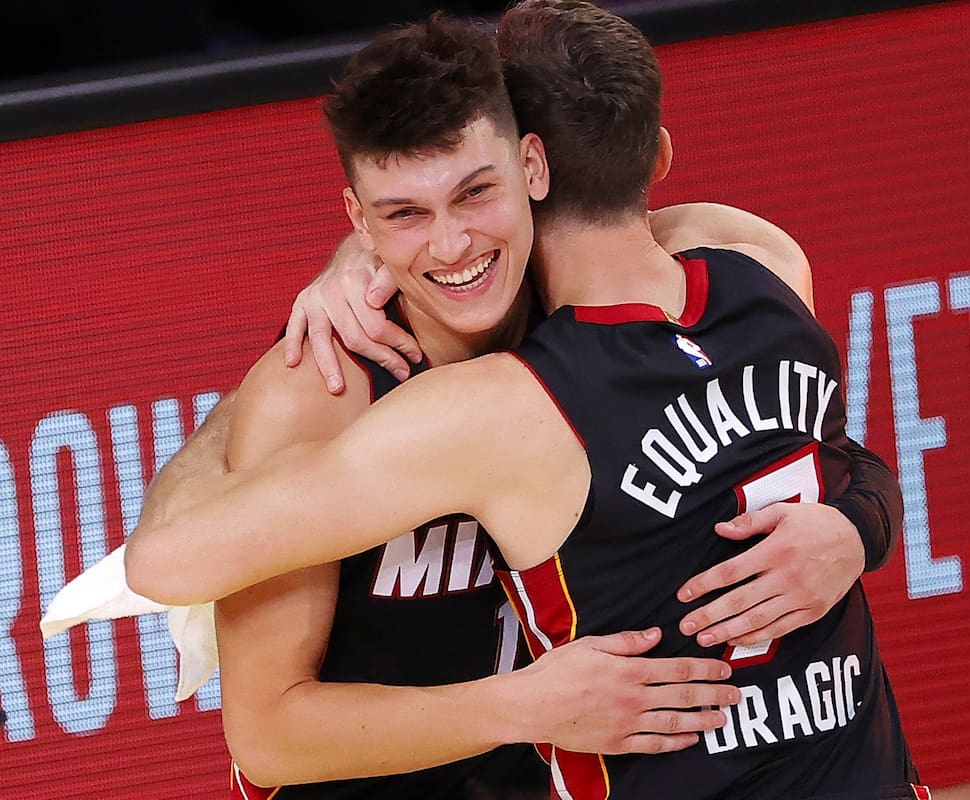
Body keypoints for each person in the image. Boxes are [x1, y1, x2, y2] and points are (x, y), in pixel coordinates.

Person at [126, 2, 920, 798]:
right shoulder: (322, 387)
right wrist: (522, 707)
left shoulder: (579, 320)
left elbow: (822, 447)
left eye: (476, 194)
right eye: (405, 215)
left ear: (532, 171)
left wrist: (859, 526)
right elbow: (263, 737)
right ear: (361, 220)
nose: (451, 245)